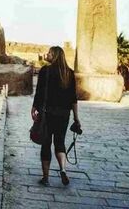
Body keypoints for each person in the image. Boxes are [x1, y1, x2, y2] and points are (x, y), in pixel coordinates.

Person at [31, 45, 80, 186]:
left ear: (55, 55)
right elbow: (73, 99)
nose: (47, 55)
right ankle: (63, 170)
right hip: (64, 115)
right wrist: (76, 118)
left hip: (47, 114)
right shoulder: (69, 73)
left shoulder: (45, 71)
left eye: (49, 53)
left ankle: (45, 177)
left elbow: (39, 92)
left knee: (46, 144)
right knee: (60, 143)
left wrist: (34, 108)